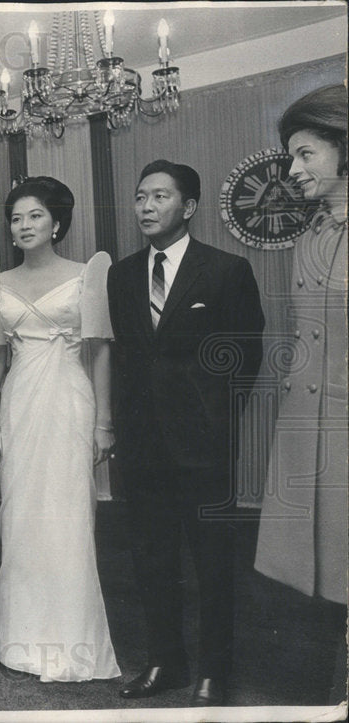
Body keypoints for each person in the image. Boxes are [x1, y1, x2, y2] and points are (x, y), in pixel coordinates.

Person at [108, 161, 265, 706]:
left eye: (159, 196)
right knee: (151, 561)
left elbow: (244, 361)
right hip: (142, 448)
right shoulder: (122, 274)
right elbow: (126, 357)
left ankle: (213, 672)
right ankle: (165, 664)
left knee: (214, 565)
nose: (146, 207)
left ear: (189, 207)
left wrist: (211, 423)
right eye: (140, 196)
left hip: (204, 450)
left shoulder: (226, 270)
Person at [0, 177, 120, 682]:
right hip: (19, 403)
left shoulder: (87, 274)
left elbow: (99, 349)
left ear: (57, 222)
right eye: (16, 218)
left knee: (69, 515)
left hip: (70, 400)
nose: (23, 226)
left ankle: (72, 644)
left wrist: (103, 423)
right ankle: (23, 642)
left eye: (35, 215)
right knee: (19, 517)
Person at [254, 84, 347, 703]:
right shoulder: (312, 232)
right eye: (292, 155)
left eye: (306, 154)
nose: (293, 169)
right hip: (312, 429)